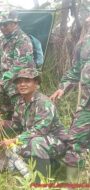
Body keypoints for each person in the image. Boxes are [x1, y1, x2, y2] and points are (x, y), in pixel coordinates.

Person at [0, 68, 68, 181]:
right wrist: (1, 122)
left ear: (36, 83)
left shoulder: (44, 103)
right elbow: (16, 125)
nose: (22, 84)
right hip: (34, 138)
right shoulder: (20, 102)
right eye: (19, 82)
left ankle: (41, 182)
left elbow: (40, 130)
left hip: (57, 141)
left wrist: (15, 140)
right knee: (12, 148)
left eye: (27, 81)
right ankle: (37, 171)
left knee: (35, 143)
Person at [50, 16, 90, 181]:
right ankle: (73, 183)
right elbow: (76, 69)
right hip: (87, 105)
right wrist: (62, 87)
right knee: (74, 142)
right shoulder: (84, 44)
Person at [0, 10, 36, 119]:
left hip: (20, 81)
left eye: (5, 24)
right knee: (6, 107)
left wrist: (3, 80)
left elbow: (21, 63)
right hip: (7, 80)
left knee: (22, 109)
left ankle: (26, 130)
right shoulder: (4, 39)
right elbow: (1, 58)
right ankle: (10, 125)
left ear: (15, 23)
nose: (2, 27)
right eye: (0, 24)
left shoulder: (22, 39)